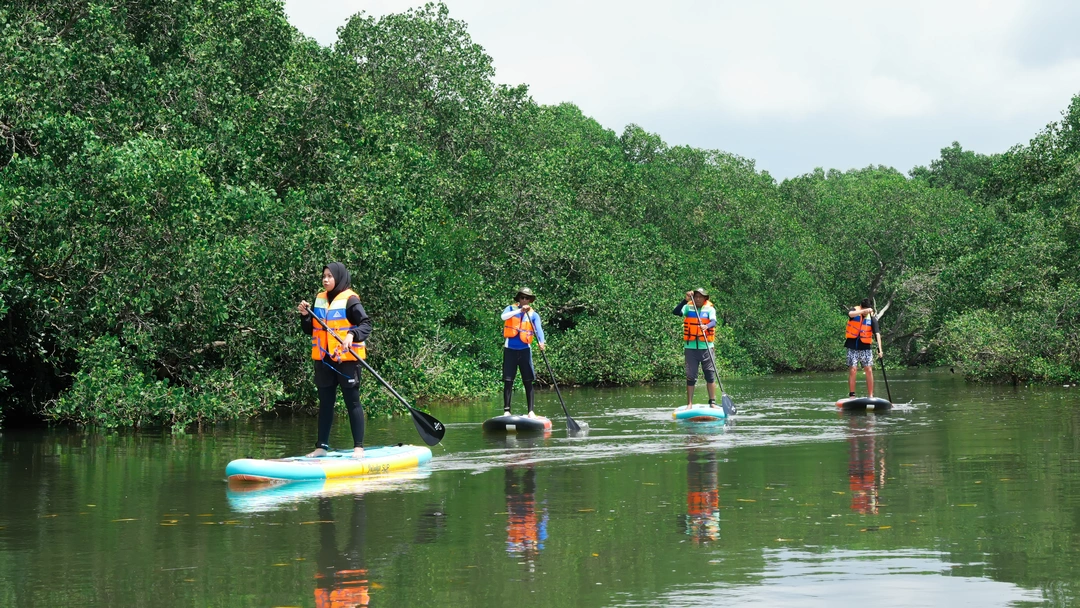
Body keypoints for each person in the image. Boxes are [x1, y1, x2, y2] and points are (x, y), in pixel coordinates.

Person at [297, 262, 373, 458]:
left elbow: (366, 324)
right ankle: (321, 447)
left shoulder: (350, 300)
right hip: (324, 360)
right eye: (324, 276)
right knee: (325, 404)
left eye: (330, 276)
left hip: (346, 360)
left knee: (352, 402)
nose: (325, 279)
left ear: (338, 277)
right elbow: (309, 329)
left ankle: (358, 447)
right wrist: (305, 316)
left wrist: (352, 335)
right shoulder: (319, 299)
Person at [500, 287, 546, 417]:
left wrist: (541, 342)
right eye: (522, 297)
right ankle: (507, 410)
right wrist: (520, 311)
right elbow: (503, 317)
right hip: (510, 350)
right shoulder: (510, 309)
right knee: (508, 380)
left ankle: (531, 411)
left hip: (525, 350)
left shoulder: (533, 315)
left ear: (530, 300)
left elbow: (539, 329)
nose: (524, 300)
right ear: (518, 299)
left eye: (527, 298)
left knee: (528, 380)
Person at [673, 288, 719, 407]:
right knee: (690, 376)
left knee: (710, 375)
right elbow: (675, 312)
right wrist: (685, 300)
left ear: (705, 298)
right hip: (691, 348)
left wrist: (707, 326)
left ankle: (712, 402)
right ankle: (689, 404)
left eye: (700, 297)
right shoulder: (688, 307)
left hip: (707, 348)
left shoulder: (710, 309)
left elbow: (714, 322)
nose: (698, 298)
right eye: (696, 296)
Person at [846, 298, 884, 398]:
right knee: (853, 369)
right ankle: (852, 395)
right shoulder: (854, 311)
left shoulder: (871, 318)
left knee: (869, 369)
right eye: (864, 310)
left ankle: (871, 395)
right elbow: (850, 314)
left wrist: (880, 349)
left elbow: (877, 334)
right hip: (852, 346)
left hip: (865, 347)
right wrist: (863, 311)